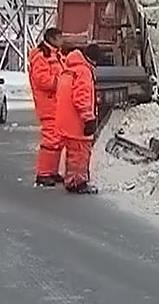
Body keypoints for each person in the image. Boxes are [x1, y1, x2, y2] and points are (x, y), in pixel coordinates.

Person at [55, 44, 99, 194]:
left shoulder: (69, 69)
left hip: (66, 120)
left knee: (73, 153)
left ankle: (71, 180)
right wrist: (88, 118)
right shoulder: (83, 72)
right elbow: (81, 98)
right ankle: (78, 183)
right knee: (80, 153)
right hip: (77, 121)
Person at [28, 27, 65, 187]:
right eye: (59, 37)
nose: (62, 40)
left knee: (57, 139)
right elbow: (42, 80)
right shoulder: (41, 57)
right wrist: (61, 82)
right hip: (48, 103)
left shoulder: (56, 55)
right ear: (51, 38)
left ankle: (52, 171)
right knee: (50, 139)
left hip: (56, 103)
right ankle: (43, 173)